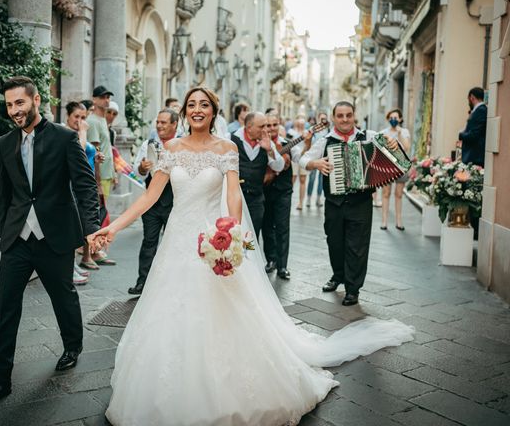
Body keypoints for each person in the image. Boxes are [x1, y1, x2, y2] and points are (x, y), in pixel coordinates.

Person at [87, 88, 414, 426]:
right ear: (184, 112)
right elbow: (149, 198)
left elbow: (233, 195)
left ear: (214, 112)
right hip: (177, 244)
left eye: (204, 105)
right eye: (191, 105)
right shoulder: (171, 150)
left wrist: (232, 234)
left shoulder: (226, 149)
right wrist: (112, 229)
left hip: (213, 243)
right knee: (169, 312)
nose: (197, 110)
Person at [0, 76, 100, 410]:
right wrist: (5, 233)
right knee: (5, 309)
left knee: (63, 296)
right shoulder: (4, 143)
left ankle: (72, 345)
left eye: (19, 102)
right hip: (17, 239)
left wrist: (91, 230)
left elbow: (85, 187)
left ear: (36, 99)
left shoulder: (64, 138)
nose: (14, 110)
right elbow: (5, 193)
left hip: (54, 236)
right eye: (9, 105)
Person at [300, 101, 399, 306]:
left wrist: (393, 143)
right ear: (334, 118)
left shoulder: (369, 136)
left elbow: (391, 145)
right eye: (340, 116)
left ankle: (353, 289)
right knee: (334, 243)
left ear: (354, 116)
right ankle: (338, 276)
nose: (345, 119)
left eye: (348, 115)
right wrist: (315, 163)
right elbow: (303, 160)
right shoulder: (325, 141)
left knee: (358, 246)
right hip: (334, 203)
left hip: (361, 202)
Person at [128, 108, 180, 295]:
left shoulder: (182, 145)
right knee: (148, 242)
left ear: (174, 124)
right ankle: (143, 282)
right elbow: (139, 175)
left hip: (175, 202)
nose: (159, 126)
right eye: (158, 122)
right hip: (151, 203)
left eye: (164, 122)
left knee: (173, 243)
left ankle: (171, 284)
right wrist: (142, 168)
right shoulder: (147, 144)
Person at [262, 113, 312, 280]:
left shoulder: (289, 144)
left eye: (274, 125)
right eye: (268, 125)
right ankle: (271, 259)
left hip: (283, 191)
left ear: (279, 125)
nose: (271, 128)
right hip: (264, 191)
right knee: (267, 226)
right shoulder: (260, 145)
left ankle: (283, 266)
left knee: (282, 227)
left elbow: (302, 157)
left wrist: (307, 142)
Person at [231, 112, 285, 238]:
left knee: (251, 237)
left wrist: (270, 150)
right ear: (249, 127)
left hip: (256, 200)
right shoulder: (231, 139)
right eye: (262, 126)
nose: (266, 130)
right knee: (234, 233)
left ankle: (248, 256)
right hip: (235, 198)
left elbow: (279, 167)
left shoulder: (267, 142)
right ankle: (237, 257)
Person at [63, 101, 99, 282]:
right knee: (71, 227)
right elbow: (80, 151)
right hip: (71, 186)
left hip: (84, 185)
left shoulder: (76, 133)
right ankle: (68, 268)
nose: (79, 120)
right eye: (76, 116)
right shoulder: (65, 133)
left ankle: (73, 265)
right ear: (67, 116)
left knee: (78, 227)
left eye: (83, 117)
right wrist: (83, 131)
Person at [87, 86, 117, 266]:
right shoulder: (93, 121)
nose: (106, 100)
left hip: (107, 173)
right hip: (99, 174)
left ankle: (96, 250)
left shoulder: (102, 119)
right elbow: (94, 152)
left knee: (102, 214)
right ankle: (94, 252)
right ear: (95, 100)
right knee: (98, 214)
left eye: (108, 97)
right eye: (103, 97)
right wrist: (96, 180)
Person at [379, 108, 411, 231]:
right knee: (386, 193)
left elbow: (407, 147)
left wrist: (399, 134)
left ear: (400, 119)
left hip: (401, 165)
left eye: (396, 117)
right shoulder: (383, 132)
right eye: (391, 118)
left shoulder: (404, 131)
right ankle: (384, 221)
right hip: (387, 166)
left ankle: (398, 221)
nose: (393, 120)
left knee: (398, 194)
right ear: (388, 119)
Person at [306, 111, 329, 208]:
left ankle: (318, 198)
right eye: (321, 118)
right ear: (318, 119)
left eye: (325, 118)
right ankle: (308, 198)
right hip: (314, 157)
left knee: (321, 179)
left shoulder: (328, 130)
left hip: (324, 157)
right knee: (311, 179)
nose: (323, 120)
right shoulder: (313, 129)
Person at [459, 87, 487, 167]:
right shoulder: (478, 110)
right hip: (473, 156)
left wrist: (461, 135)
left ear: (472, 97)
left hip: (474, 157)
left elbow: (474, 135)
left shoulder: (481, 110)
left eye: (468, 99)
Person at [290, 117, 310, 210]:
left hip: (303, 157)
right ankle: (288, 200)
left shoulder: (307, 132)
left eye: (302, 124)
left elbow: (309, 146)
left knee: (303, 180)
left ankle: (301, 203)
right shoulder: (291, 132)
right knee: (292, 179)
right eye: (299, 123)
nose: (301, 125)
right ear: (296, 123)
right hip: (293, 159)